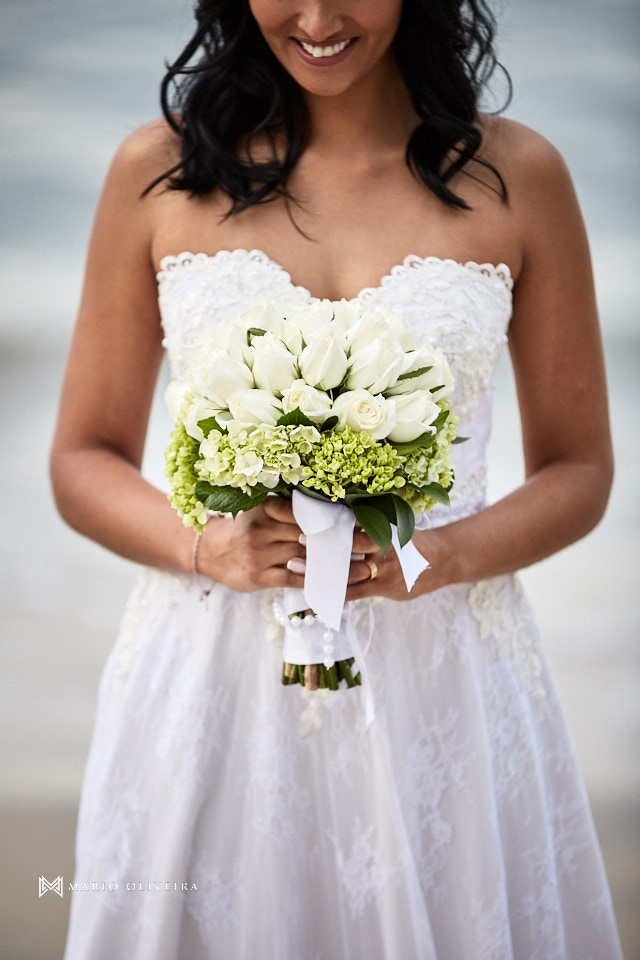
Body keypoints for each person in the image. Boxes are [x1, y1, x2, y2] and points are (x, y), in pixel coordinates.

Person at [51, 1, 623, 957]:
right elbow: (82, 459)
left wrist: (435, 555)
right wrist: (206, 546)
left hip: (445, 683)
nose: (317, 17)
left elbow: (582, 469)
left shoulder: (519, 176)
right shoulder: (155, 172)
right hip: (208, 680)